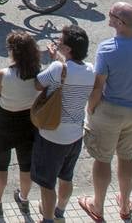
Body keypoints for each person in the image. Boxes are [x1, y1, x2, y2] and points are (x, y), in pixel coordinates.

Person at [79, 3, 132, 223]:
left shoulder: (108, 48)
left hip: (108, 112)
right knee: (127, 157)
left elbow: (98, 85)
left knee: (102, 159)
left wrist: (91, 107)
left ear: (120, 22)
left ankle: (98, 205)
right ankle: (124, 204)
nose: (109, 16)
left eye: (112, 15)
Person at [31, 25, 95, 223]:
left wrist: (53, 63)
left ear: (68, 49)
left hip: (52, 135)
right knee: (66, 177)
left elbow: (38, 84)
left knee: (47, 183)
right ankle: (59, 212)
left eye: (60, 42)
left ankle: (48, 219)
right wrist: (57, 61)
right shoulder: (91, 70)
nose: (57, 43)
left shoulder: (58, 68)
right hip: (75, 135)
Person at [0, 31, 40, 217]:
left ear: (13, 52)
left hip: (3, 123)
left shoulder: (4, 74)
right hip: (28, 124)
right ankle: (23, 199)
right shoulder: (38, 74)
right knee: (26, 165)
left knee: (1, 164)